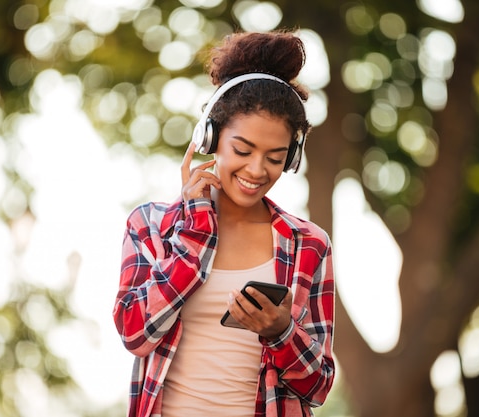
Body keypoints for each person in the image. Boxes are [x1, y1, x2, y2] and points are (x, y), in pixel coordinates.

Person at [113, 30, 336, 417]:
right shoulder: (150, 225)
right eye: (243, 150)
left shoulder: (308, 244)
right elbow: (135, 333)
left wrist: (280, 332)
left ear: (292, 157)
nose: (256, 169)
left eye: (275, 157)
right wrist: (196, 232)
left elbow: (318, 386)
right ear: (209, 138)